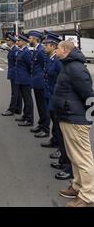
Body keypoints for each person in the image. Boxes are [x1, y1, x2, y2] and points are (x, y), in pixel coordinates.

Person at [54, 40, 94, 207]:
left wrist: (87, 118)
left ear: (64, 50)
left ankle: (88, 196)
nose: (55, 50)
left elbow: (89, 95)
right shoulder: (69, 65)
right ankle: (77, 186)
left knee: (83, 159)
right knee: (74, 156)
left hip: (76, 119)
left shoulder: (76, 68)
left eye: (57, 48)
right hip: (68, 117)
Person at [42, 33, 72, 181]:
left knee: (62, 133)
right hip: (52, 98)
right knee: (59, 132)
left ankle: (66, 162)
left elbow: (64, 84)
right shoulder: (52, 59)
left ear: (55, 47)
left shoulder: (60, 63)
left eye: (47, 45)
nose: (44, 46)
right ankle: (62, 160)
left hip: (57, 100)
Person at [28, 31, 50, 138]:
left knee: (43, 107)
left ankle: (45, 129)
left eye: (30, 38)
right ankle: (41, 125)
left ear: (35, 39)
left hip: (40, 83)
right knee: (40, 106)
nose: (29, 40)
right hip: (37, 82)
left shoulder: (41, 51)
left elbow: (44, 67)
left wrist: (41, 79)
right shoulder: (37, 49)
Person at [15, 34, 34, 127]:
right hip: (21, 79)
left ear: (23, 42)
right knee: (24, 98)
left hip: (25, 79)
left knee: (28, 100)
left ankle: (29, 119)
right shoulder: (21, 51)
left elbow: (30, 65)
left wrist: (27, 76)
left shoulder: (26, 52)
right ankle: (25, 116)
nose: (17, 42)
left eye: (19, 41)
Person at [1, 34, 22, 116]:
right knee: (17, 92)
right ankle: (18, 108)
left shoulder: (15, 50)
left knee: (15, 92)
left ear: (12, 42)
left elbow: (17, 63)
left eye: (8, 40)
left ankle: (11, 109)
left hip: (14, 73)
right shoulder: (12, 49)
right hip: (13, 72)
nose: (7, 42)